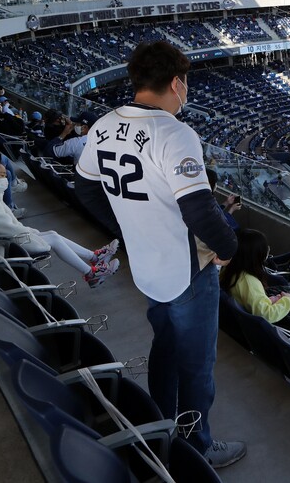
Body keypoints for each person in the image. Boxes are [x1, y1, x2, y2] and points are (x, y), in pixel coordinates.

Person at [75, 41, 244, 468]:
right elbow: (200, 210)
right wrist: (229, 249)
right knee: (196, 368)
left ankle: (161, 425)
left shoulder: (103, 124)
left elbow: (86, 188)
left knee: (165, 348)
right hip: (185, 270)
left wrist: (127, 229)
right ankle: (197, 448)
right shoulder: (174, 131)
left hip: (147, 268)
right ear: (175, 82)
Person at [0, 155, 119, 287]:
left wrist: (35, 233)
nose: (5, 179)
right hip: (2, 251)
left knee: (52, 234)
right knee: (53, 239)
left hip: (6, 242)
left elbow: (13, 229)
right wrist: (37, 236)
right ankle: (91, 273)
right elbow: (13, 230)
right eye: (2, 176)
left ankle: (94, 258)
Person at [220, 229, 290, 330]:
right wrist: (286, 300)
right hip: (264, 320)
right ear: (255, 255)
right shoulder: (249, 282)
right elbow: (266, 314)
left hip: (247, 311)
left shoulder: (229, 269)